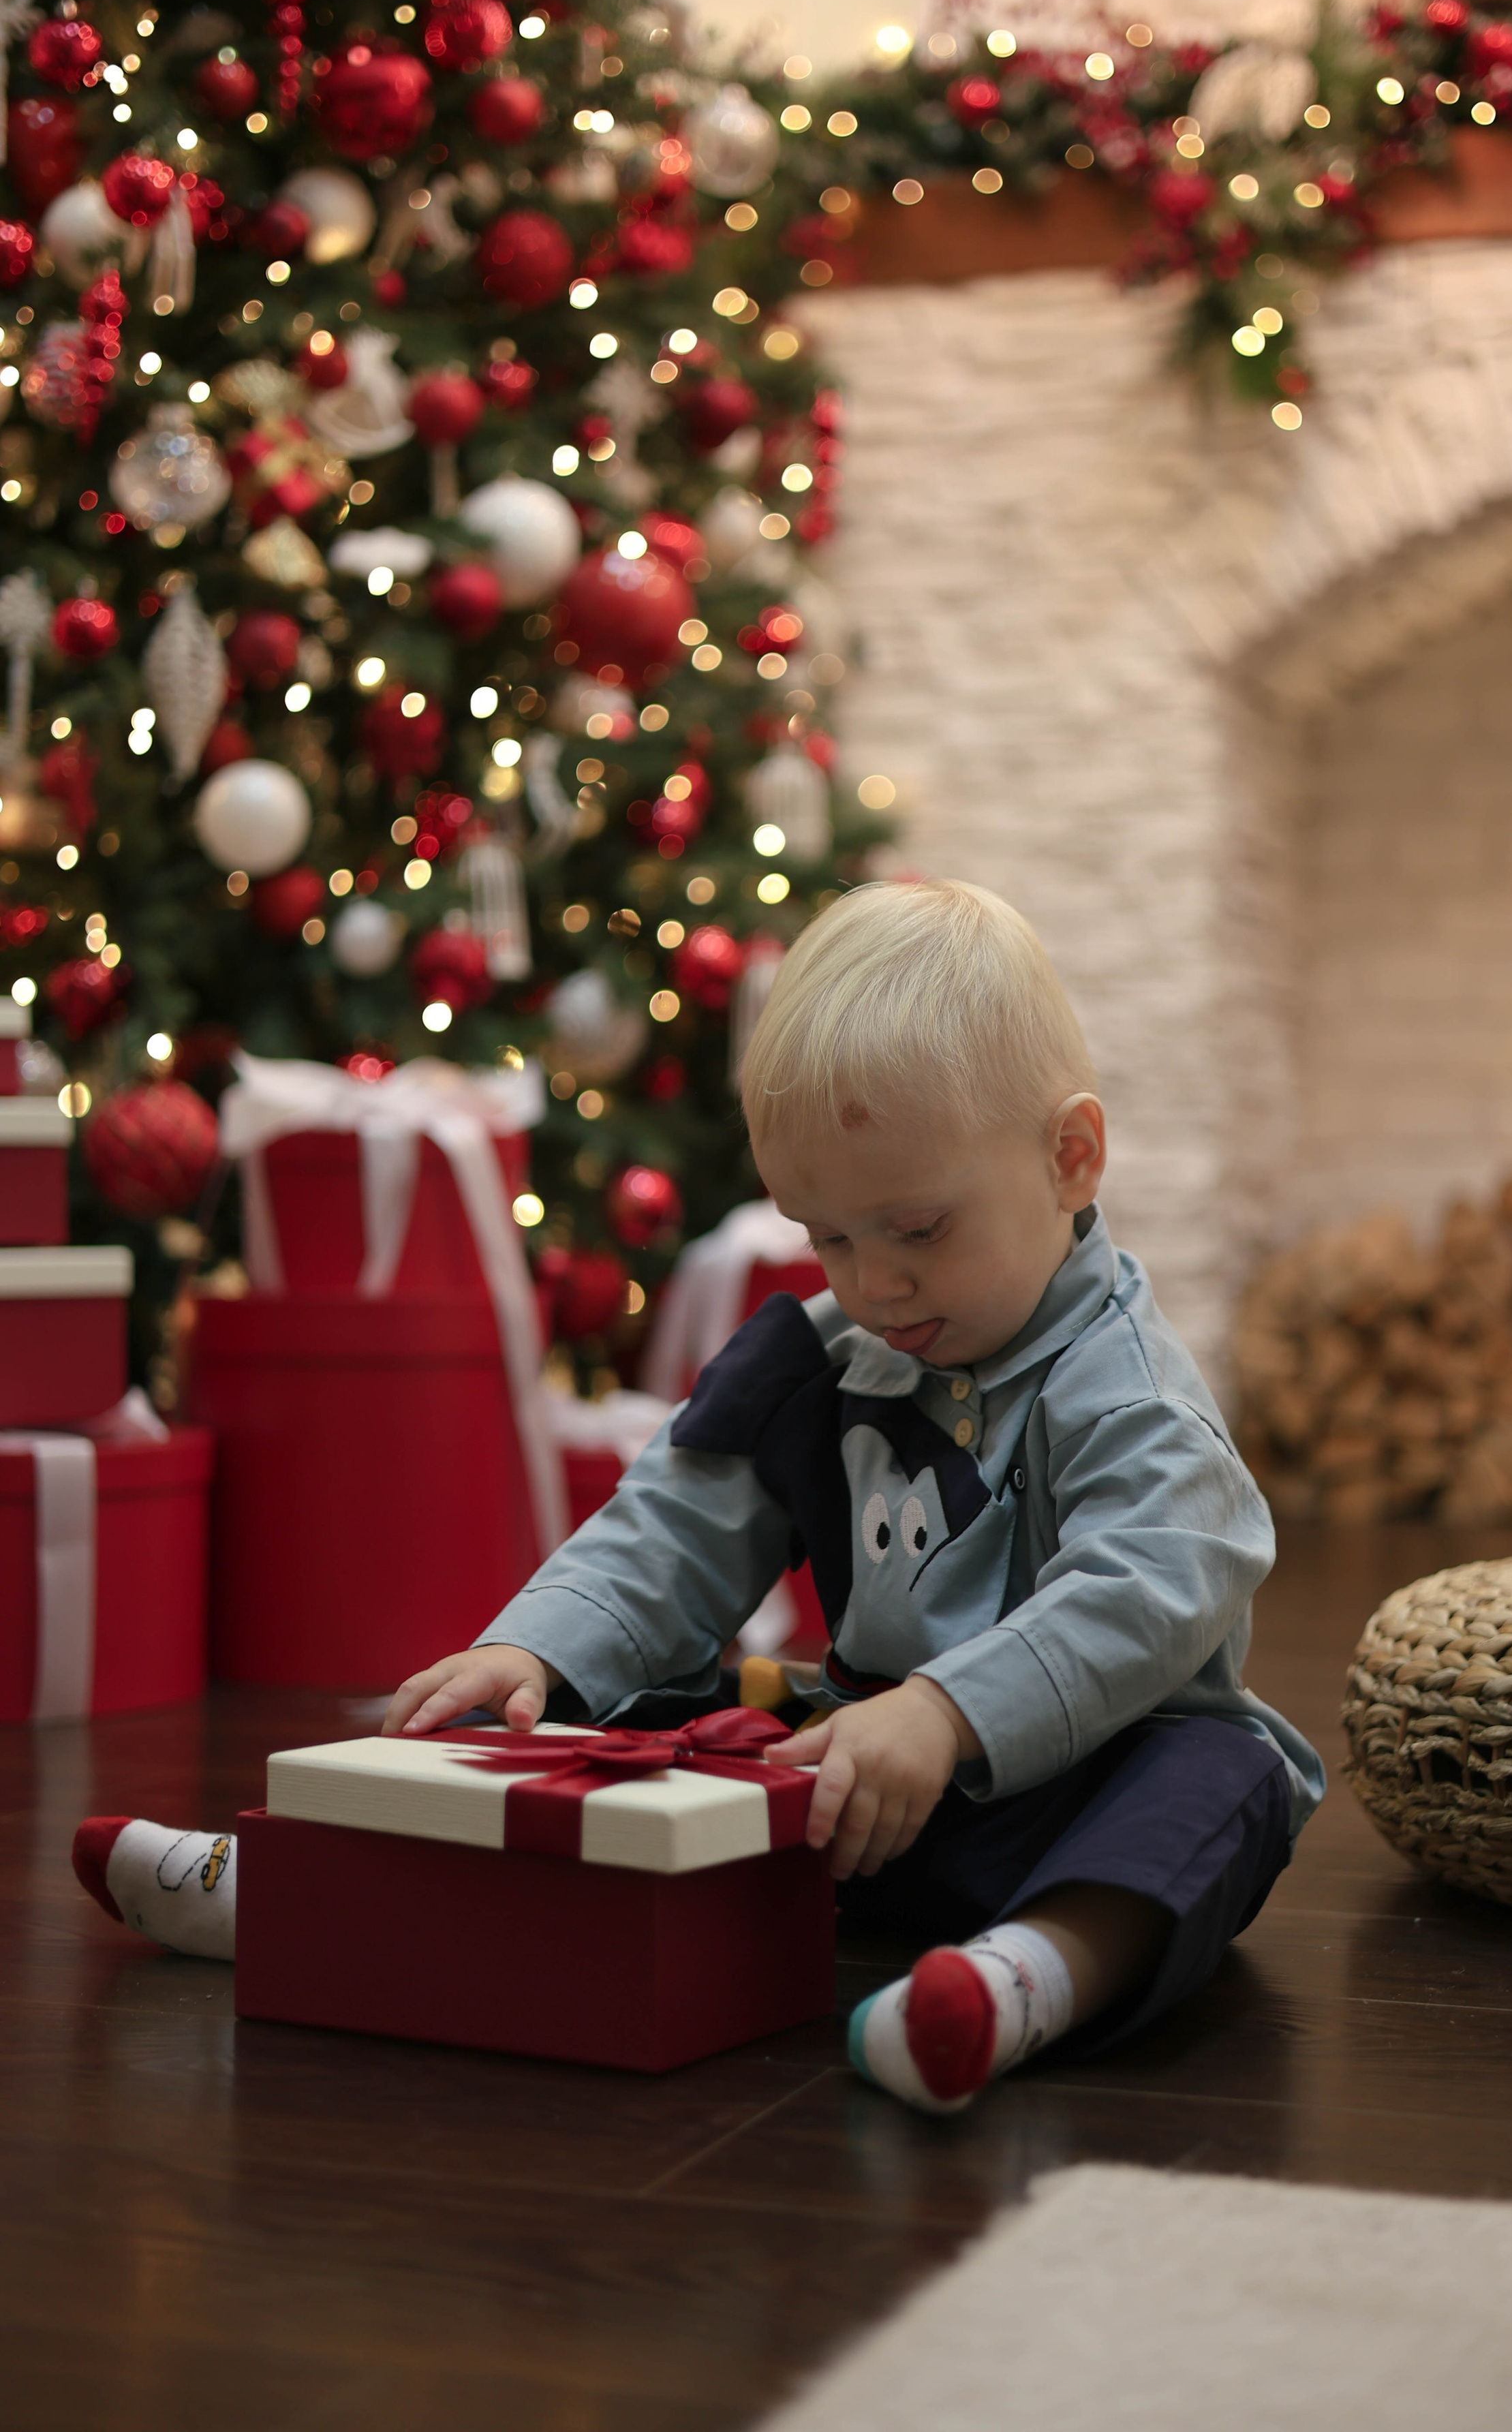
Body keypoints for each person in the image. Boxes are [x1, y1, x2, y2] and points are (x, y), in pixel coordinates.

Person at [74, 880, 1323, 2112]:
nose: (873, 1284)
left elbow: (1162, 1580)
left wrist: (947, 1715)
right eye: (827, 1237)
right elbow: (671, 1525)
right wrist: (536, 1650)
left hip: (1066, 1803)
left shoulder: (1125, 1386)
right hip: (855, 1792)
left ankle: (1023, 1982)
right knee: (658, 1711)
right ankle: (315, 1892)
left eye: (917, 1230)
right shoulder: (822, 1359)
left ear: (1070, 1157)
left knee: (1225, 1778)